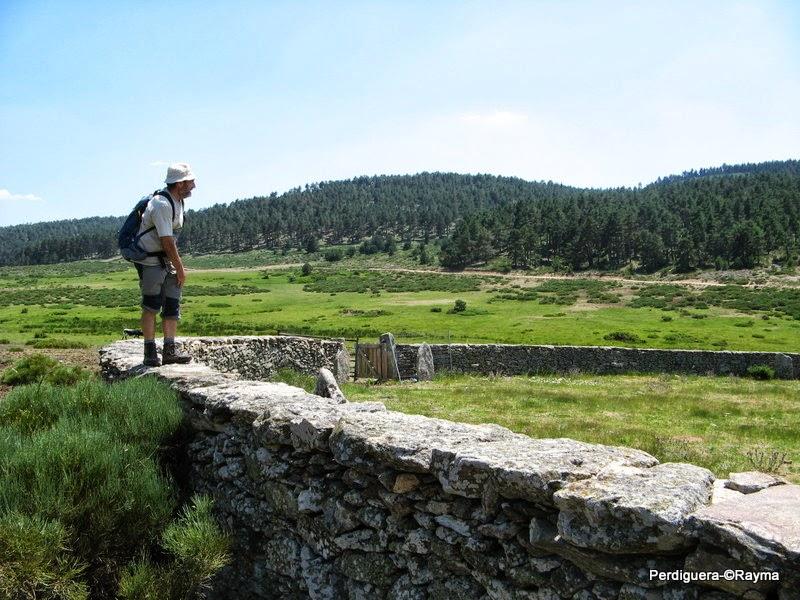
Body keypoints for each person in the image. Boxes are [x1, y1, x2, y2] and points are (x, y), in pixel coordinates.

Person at [135, 162, 195, 366]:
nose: (194, 185)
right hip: (152, 261)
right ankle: (150, 353)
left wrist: (175, 265)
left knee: (172, 304)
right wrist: (180, 268)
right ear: (180, 184)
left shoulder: (177, 201)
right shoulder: (161, 204)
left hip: (166, 261)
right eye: (190, 181)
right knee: (151, 305)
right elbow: (167, 240)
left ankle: (169, 351)